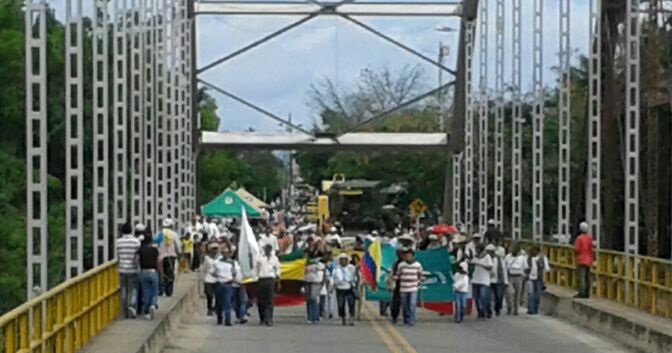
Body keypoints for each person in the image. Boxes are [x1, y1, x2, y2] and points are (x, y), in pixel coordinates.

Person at [209, 246, 242, 326]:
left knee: (228, 303)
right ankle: (219, 318)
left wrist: (234, 279)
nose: (225, 254)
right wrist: (218, 275)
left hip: (228, 284)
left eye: (227, 253)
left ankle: (228, 320)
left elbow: (234, 272)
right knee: (219, 303)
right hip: (219, 284)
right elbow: (212, 272)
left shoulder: (232, 263)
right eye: (224, 253)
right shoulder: (217, 262)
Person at [116, 222, 141, 319]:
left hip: (122, 269)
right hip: (133, 269)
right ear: (131, 230)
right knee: (133, 289)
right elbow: (138, 255)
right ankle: (132, 307)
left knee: (123, 290)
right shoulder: (136, 241)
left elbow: (118, 255)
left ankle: (124, 312)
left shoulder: (118, 242)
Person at [254, 243, 281, 326]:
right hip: (261, 279)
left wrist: (279, 282)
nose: (267, 250)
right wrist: (255, 280)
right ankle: (262, 318)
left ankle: (269, 318)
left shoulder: (275, 259)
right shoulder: (259, 258)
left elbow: (277, 271)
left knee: (270, 300)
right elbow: (256, 269)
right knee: (261, 300)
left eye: (269, 249)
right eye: (266, 249)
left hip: (270, 280)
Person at [395, 249, 423, 326]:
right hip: (403, 288)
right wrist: (396, 277)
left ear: (413, 257)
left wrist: (419, 281)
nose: (408, 257)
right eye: (407, 256)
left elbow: (419, 274)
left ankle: (412, 319)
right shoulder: (401, 265)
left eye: (410, 256)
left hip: (413, 287)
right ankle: (406, 318)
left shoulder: (418, 265)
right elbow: (399, 274)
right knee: (404, 305)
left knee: (412, 304)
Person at [137, 233, 161, 320]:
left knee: (146, 293)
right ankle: (153, 305)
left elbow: (136, 260)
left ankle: (147, 311)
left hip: (143, 272)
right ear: (151, 241)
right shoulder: (155, 250)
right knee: (155, 291)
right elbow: (158, 261)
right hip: (153, 271)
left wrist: (139, 268)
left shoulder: (141, 250)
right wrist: (160, 272)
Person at [156, 219, 180, 297]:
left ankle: (161, 290)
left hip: (161, 257)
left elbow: (155, 245)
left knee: (161, 273)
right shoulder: (174, 234)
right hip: (171, 256)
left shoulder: (159, 234)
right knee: (170, 274)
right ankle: (169, 292)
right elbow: (178, 246)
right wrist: (179, 253)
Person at [333, 253, 357, 326]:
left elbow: (355, 277)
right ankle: (343, 318)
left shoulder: (352, 268)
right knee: (341, 304)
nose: (343, 261)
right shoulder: (336, 269)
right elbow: (333, 278)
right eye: (341, 260)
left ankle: (351, 318)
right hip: (340, 288)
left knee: (351, 304)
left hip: (349, 287)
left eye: (345, 260)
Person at [470, 243, 493, 319]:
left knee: (483, 297)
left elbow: (490, 267)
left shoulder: (487, 257)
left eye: (477, 249)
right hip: (475, 279)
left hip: (484, 280)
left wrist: (480, 264)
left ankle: (486, 311)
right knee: (476, 298)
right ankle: (480, 312)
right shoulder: (475, 257)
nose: (476, 250)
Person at [504, 244, 528, 315]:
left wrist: (524, 276)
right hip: (510, 276)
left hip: (519, 277)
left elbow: (525, 267)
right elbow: (505, 267)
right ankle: (509, 306)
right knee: (509, 293)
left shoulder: (522, 258)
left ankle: (516, 309)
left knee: (517, 294)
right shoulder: (507, 257)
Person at [526, 245, 550, 315]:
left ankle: (535, 308)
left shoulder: (542, 258)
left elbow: (546, 268)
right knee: (530, 293)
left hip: (539, 278)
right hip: (530, 278)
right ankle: (530, 308)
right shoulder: (528, 259)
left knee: (537, 295)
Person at [304, 254, 326, 324]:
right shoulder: (306, 264)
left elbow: (324, 273)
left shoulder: (320, 264)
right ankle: (309, 316)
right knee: (308, 300)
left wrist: (323, 282)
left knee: (313, 299)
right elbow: (304, 273)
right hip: (307, 282)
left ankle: (315, 316)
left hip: (316, 283)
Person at [574, 221, 594, 299]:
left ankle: (581, 292)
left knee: (581, 276)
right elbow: (591, 249)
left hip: (581, 259)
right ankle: (587, 293)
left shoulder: (579, 238)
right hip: (588, 259)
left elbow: (576, 249)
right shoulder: (589, 238)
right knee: (587, 276)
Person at [202, 242, 220, 316]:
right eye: (213, 249)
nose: (215, 250)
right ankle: (209, 308)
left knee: (218, 295)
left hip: (218, 279)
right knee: (209, 295)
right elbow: (204, 268)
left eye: (216, 249)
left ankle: (216, 308)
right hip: (208, 279)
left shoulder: (220, 258)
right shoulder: (207, 258)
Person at [490, 246, 508, 316]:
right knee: (496, 295)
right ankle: (496, 308)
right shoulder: (493, 260)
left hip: (502, 281)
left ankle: (498, 307)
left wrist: (506, 281)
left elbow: (506, 271)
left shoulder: (504, 260)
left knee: (500, 296)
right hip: (494, 280)